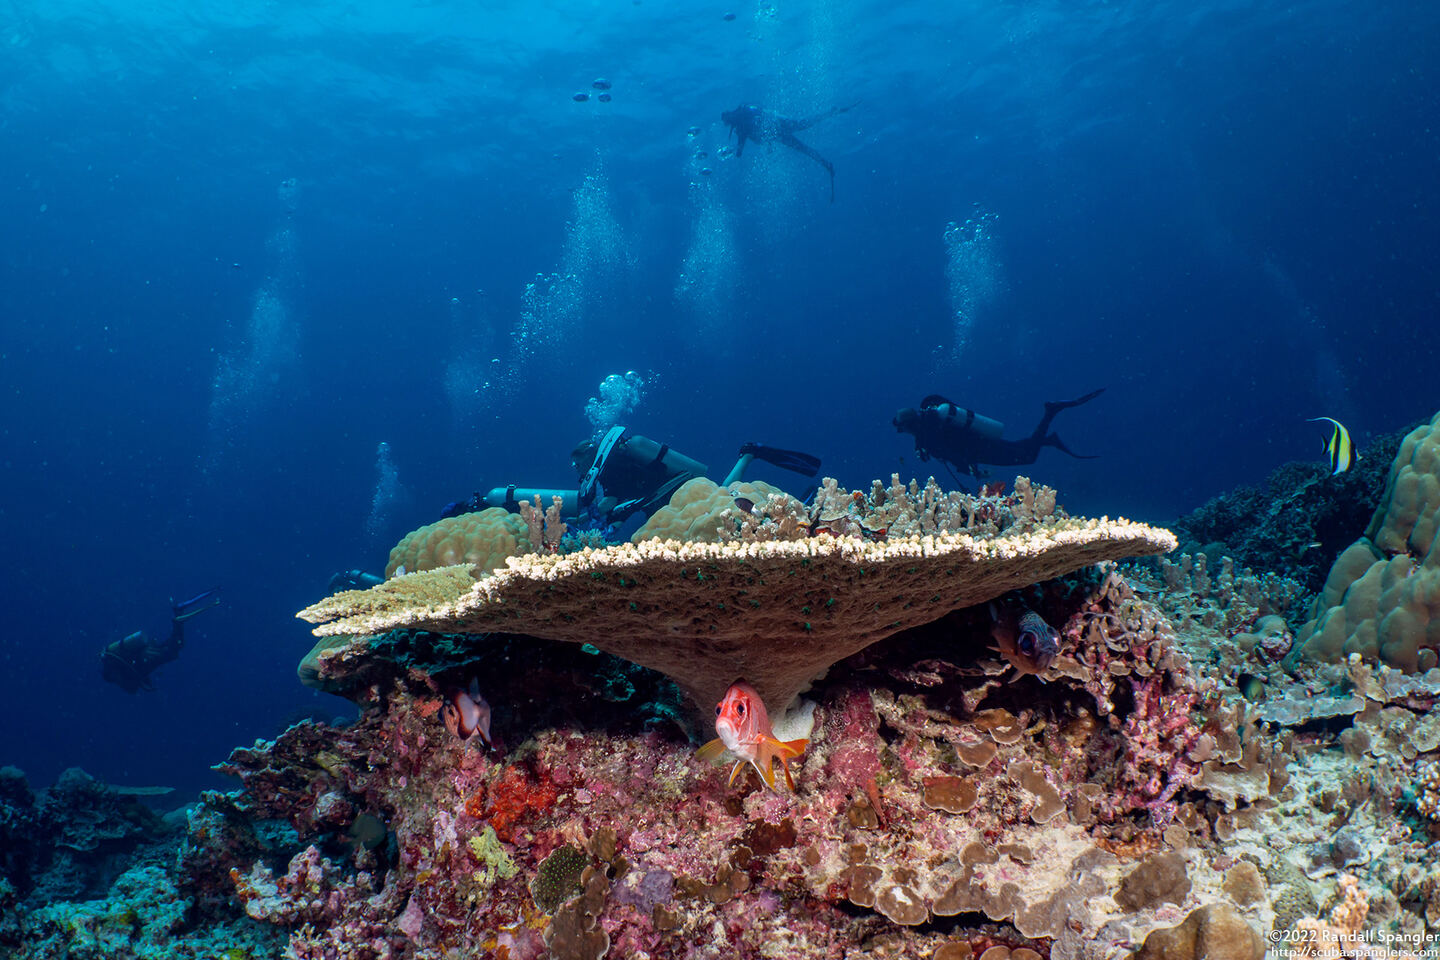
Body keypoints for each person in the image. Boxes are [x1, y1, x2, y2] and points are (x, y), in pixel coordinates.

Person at [442, 431, 821, 535]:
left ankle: (751, 456)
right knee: (723, 497)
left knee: (725, 497)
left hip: (679, 488)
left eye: (578, 462)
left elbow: (698, 472)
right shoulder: (606, 476)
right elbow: (602, 509)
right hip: (665, 499)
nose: (576, 470)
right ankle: (749, 457)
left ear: (589, 454)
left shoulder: (622, 457)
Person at [893, 390, 1105, 483]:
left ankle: (1050, 413)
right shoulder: (928, 424)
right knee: (1019, 449)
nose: (905, 433)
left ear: (910, 425)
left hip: (979, 450)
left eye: (904, 429)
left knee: (1026, 457)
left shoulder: (927, 435)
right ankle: (1049, 439)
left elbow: (952, 454)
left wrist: (972, 471)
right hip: (979, 441)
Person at [720, 102, 856, 202]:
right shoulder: (741, 125)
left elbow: (744, 145)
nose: (729, 124)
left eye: (728, 121)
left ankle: (831, 112)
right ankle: (825, 163)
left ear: (730, 116)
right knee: (802, 145)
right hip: (777, 134)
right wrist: (765, 143)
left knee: (801, 126)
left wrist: (733, 151)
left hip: (778, 126)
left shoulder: (743, 115)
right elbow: (748, 142)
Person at [100, 589, 220, 693]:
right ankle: (179, 612)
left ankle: (178, 620)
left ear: (111, 674)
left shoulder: (122, 671)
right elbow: (140, 681)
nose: (117, 681)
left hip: (147, 656)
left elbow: (132, 688)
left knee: (174, 649)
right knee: (174, 646)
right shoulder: (121, 665)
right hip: (147, 652)